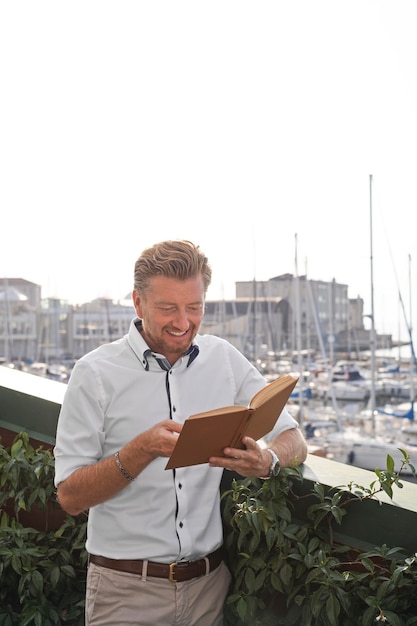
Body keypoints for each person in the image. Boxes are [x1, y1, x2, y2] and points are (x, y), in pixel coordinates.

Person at [54, 239, 308, 626]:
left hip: (209, 589)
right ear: (138, 304)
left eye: (194, 307)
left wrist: (268, 460)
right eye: (168, 308)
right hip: (125, 593)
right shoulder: (94, 374)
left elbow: (295, 438)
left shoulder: (224, 359)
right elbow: (70, 497)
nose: (183, 322)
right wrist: (141, 450)